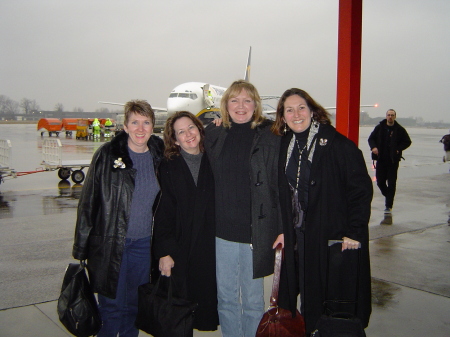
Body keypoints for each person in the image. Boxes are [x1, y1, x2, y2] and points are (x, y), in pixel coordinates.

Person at [273, 88, 373, 335]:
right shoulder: (285, 144)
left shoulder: (337, 144)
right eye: (289, 110)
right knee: (302, 294)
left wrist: (354, 231)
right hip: (298, 235)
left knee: (326, 300)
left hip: (328, 233)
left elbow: (360, 191)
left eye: (301, 108)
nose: (296, 114)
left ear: (312, 111)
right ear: (283, 117)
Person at [72, 100, 164, 337]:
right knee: (111, 308)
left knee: (134, 308)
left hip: (144, 246)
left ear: (153, 126)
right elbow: (88, 202)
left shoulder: (160, 154)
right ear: (125, 126)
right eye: (135, 122)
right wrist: (81, 249)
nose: (140, 128)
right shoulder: (107, 154)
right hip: (111, 244)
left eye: (146, 123)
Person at [204, 80, 283, 337]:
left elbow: (280, 186)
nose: (241, 106)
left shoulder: (271, 135)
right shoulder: (214, 134)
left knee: (252, 301)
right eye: (234, 100)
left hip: (255, 232)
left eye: (247, 100)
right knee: (226, 299)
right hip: (222, 231)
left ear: (256, 105)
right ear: (226, 105)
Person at [152, 111, 219, 332]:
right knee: (180, 315)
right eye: (181, 132)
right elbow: (163, 212)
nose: (188, 134)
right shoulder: (169, 166)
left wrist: (221, 126)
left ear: (200, 129)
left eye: (191, 128)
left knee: (210, 305)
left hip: (212, 246)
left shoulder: (214, 157)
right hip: (182, 247)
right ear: (174, 139)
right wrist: (164, 251)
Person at [368, 109, 411, 212]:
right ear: (386, 116)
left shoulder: (399, 129)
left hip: (393, 161)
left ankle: (389, 206)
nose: (390, 117)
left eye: (392, 115)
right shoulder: (380, 127)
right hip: (381, 159)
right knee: (380, 182)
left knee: (391, 183)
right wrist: (373, 147)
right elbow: (371, 139)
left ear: (395, 117)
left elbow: (408, 141)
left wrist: (398, 149)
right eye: (388, 115)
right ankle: (388, 196)